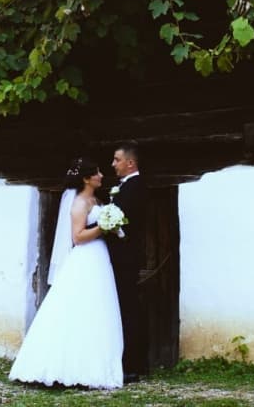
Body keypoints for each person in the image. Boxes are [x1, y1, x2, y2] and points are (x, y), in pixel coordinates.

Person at [8, 158, 124, 389]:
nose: (102, 175)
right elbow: (77, 237)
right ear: (86, 178)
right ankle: (60, 365)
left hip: (99, 256)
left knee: (97, 306)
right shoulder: (80, 202)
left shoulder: (96, 199)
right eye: (97, 172)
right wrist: (103, 226)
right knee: (78, 305)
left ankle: (95, 361)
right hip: (86, 257)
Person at [109, 141, 148, 382]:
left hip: (126, 258)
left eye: (117, 159)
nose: (113, 164)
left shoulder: (137, 186)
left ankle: (134, 364)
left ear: (130, 162)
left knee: (128, 308)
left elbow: (126, 222)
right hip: (118, 257)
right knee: (121, 307)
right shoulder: (122, 187)